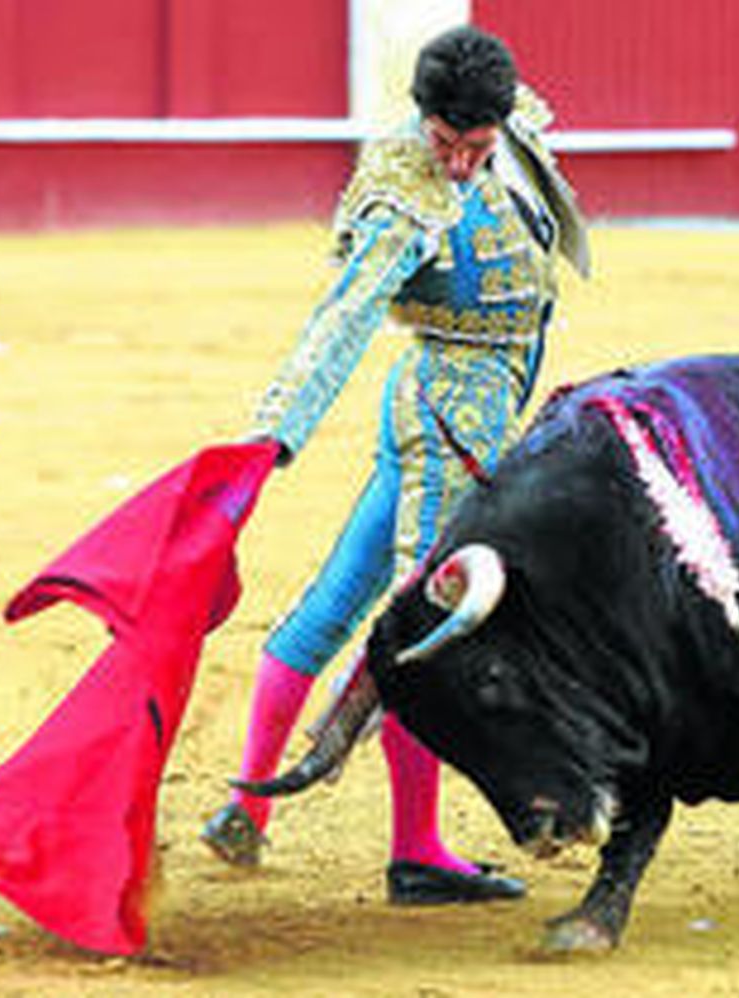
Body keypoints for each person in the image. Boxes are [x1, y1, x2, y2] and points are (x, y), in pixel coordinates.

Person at [201, 24, 590, 905]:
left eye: (473, 146)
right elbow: (341, 319)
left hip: (459, 406)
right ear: (422, 120)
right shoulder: (401, 197)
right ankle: (413, 849)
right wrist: (276, 433)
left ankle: (244, 814)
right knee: (429, 625)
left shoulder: (515, 129)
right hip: (449, 417)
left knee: (345, 598)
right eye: (444, 143)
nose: (456, 164)